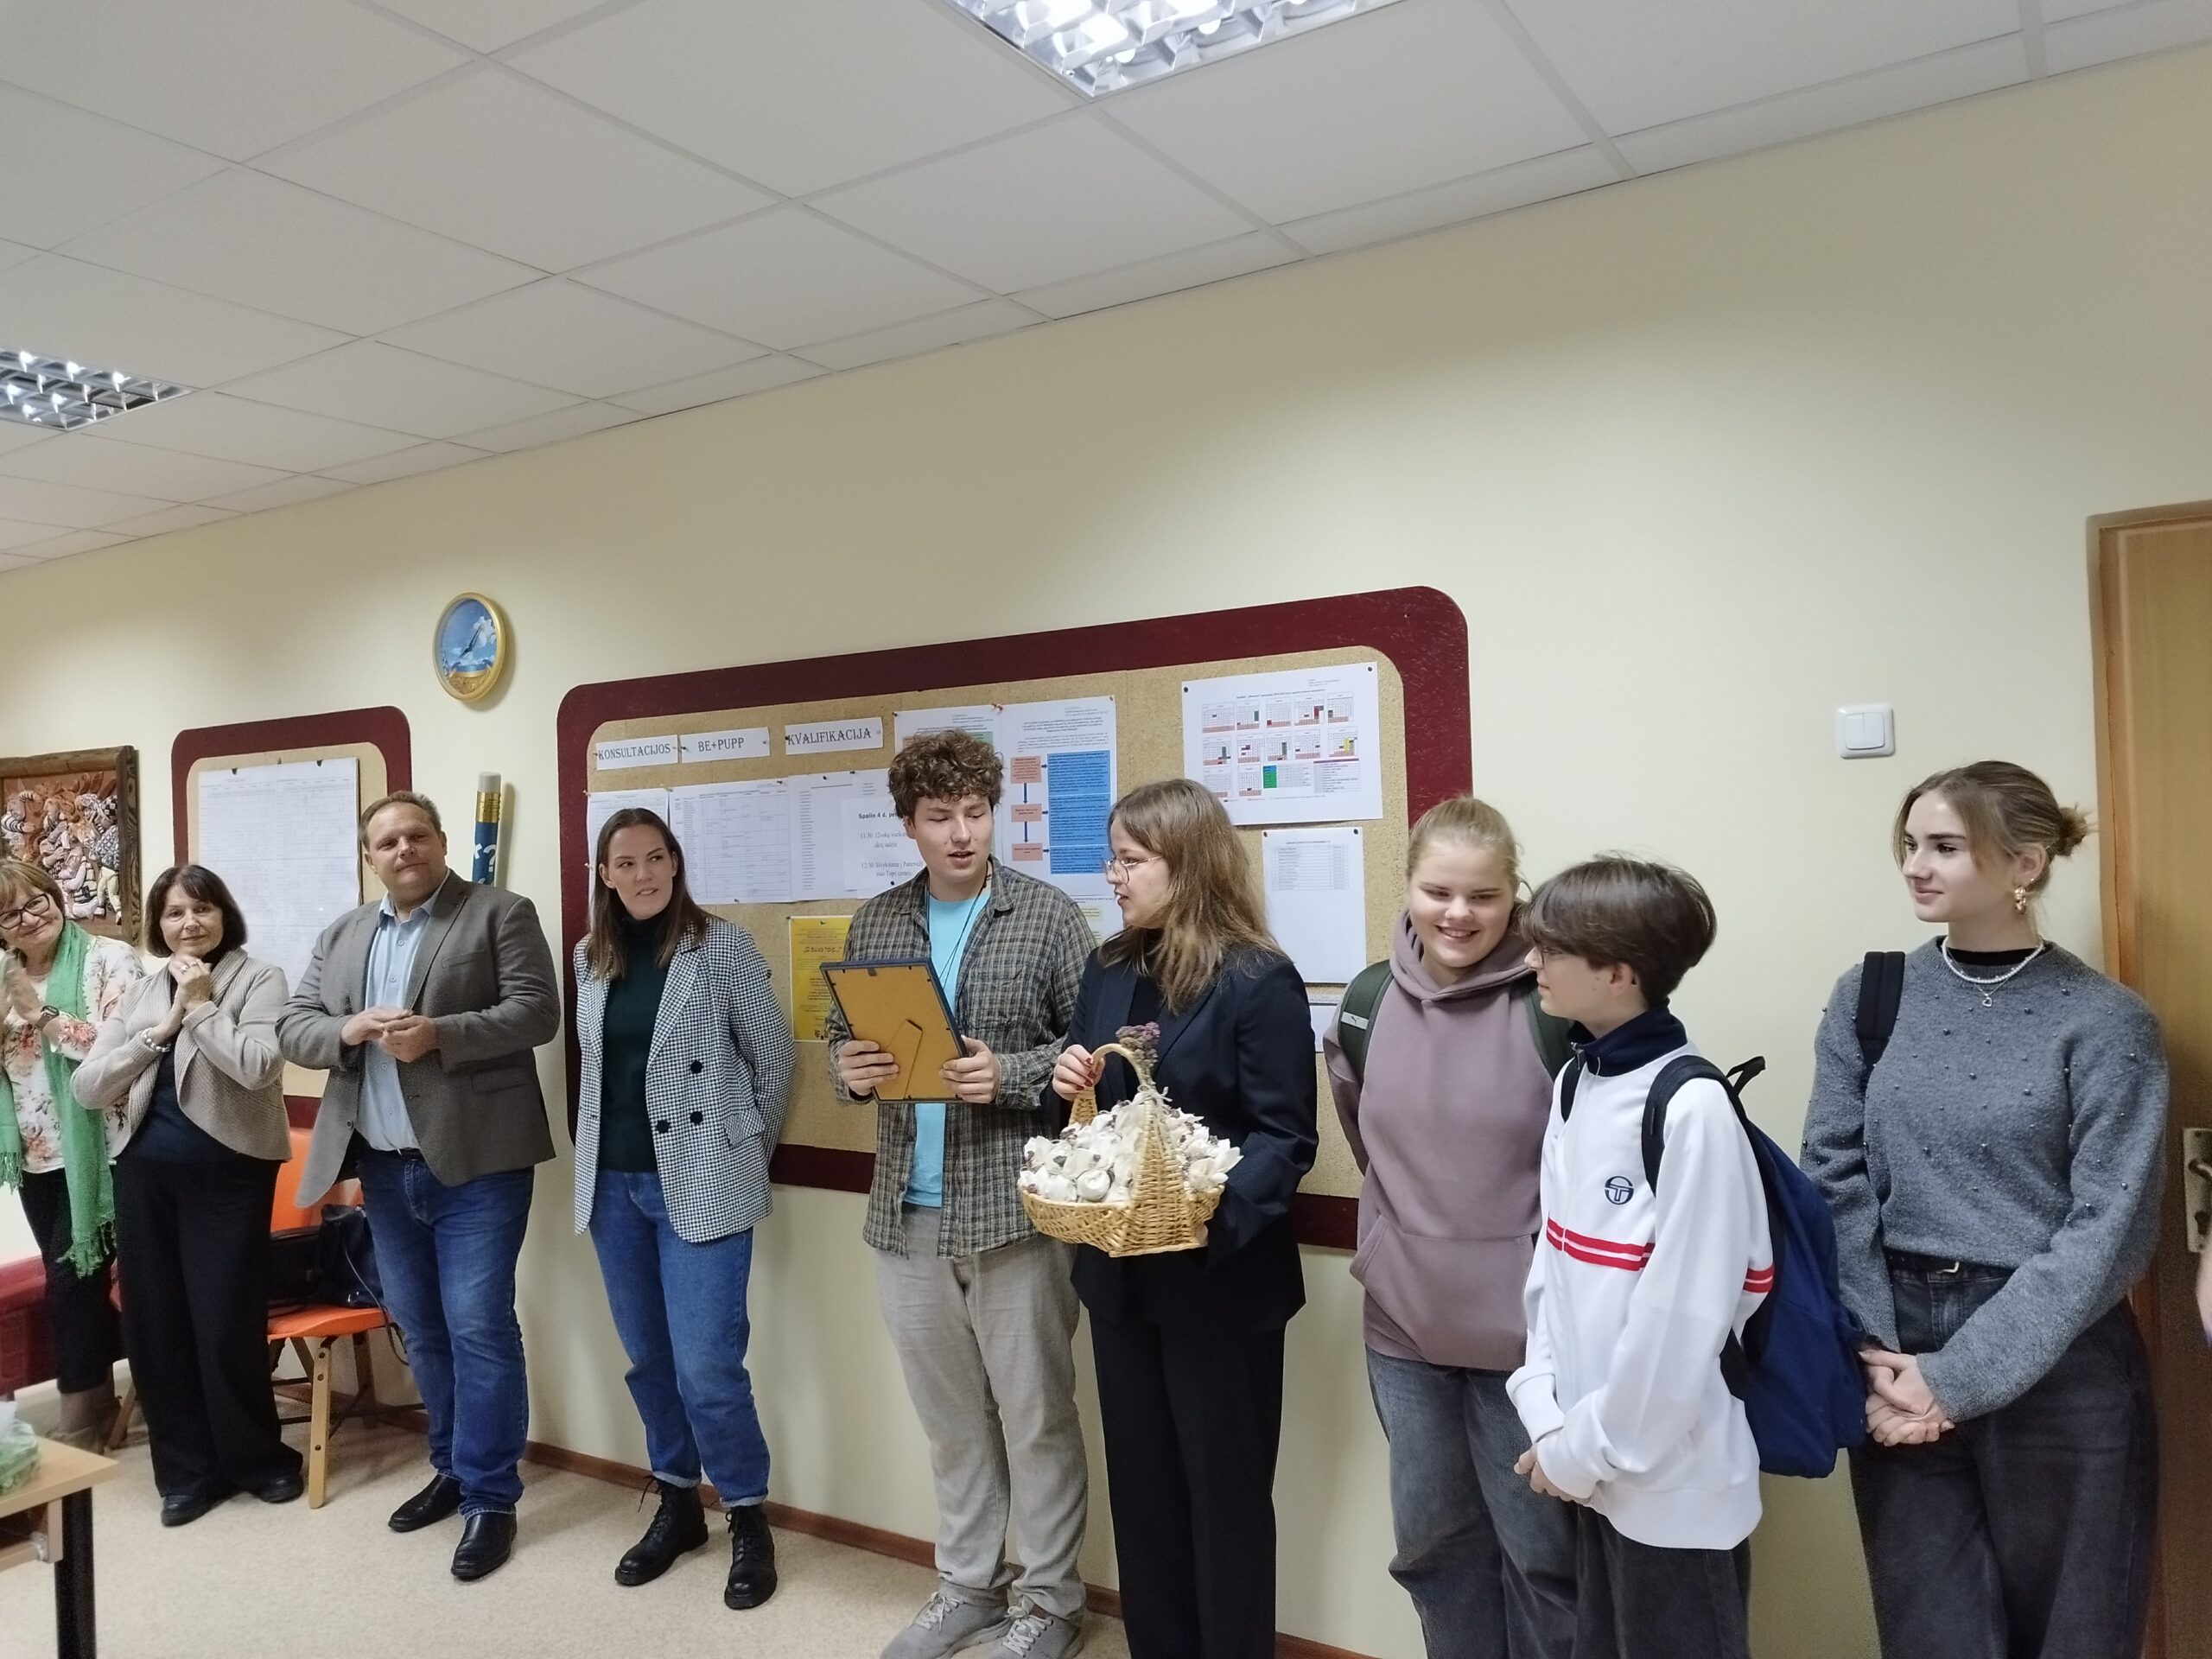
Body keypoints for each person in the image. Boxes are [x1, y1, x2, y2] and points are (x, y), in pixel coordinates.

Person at [1800, 762, 2163, 1657]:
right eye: (1910, 845)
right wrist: (1882, 1357)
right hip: (1895, 1341)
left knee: (2073, 1634)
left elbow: (2110, 1226)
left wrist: (1956, 1378)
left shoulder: (2105, 1021)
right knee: (1931, 1633)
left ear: (2024, 866)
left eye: (1944, 847)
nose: (1915, 866)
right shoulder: (1871, 995)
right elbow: (1831, 1174)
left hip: (2060, 1356)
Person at [825, 730, 1094, 1659]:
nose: (962, 832)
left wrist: (1011, 1075)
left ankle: (1051, 1601)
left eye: (976, 812)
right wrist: (848, 1068)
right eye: (940, 816)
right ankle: (969, 1586)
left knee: (1037, 1418)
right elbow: (842, 1037)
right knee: (950, 1423)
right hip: (906, 1213)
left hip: (1016, 1211)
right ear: (909, 824)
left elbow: (1093, 1051)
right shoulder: (877, 924)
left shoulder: (1048, 917)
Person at [1050, 778, 1318, 1659]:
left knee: (1224, 1504)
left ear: (1188, 864)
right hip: (1118, 1279)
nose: (1113, 877)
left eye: (1130, 860)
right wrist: (1069, 1084)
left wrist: (1203, 1222)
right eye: (1112, 859)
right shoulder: (1108, 967)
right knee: (1144, 1497)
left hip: (1217, 1282)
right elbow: (1094, 1112)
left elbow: (1285, 1137)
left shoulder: (1257, 978)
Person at [276, 791, 560, 1582]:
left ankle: (492, 1497)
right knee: (422, 1328)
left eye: (416, 835)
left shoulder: (499, 912)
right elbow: (294, 1024)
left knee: (478, 1327)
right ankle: (452, 1468)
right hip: (381, 1165)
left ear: (440, 840)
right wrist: (346, 1030)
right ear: (370, 858)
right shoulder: (343, 934)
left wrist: (440, 1035)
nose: (404, 849)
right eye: (387, 842)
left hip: (477, 1165)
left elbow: (537, 1013)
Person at [1323, 798, 1577, 1659]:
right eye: (1438, 892)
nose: (1458, 914)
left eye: (1483, 896)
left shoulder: (1556, 1003)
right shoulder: (1366, 1003)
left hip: (1531, 1339)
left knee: (1545, 1558)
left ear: (1515, 895)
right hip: (1404, 1327)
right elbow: (1368, 1143)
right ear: (1407, 888)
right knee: (1433, 1551)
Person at [1505, 855, 1770, 1659]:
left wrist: (1581, 1451)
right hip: (1592, 1472)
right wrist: (1545, 1407)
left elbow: (1681, 1325)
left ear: (1620, 973)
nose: (1531, 960)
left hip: (1673, 1484)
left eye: (1552, 949)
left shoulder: (1692, 1107)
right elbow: (1553, 1269)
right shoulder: (1576, 1081)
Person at [573, 807, 796, 1610]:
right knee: (648, 1360)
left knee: (708, 1368)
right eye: (626, 862)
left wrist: (739, 1157)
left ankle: (746, 1513)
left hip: (702, 1181)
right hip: (613, 1187)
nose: (644, 874)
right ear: (605, 875)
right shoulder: (589, 958)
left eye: (656, 857)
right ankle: (676, 1501)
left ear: (676, 863)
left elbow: (774, 1060)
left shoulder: (719, 946)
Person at [73, 864, 302, 1525]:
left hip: (228, 1175)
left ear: (223, 914)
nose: (189, 923)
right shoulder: (143, 991)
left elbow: (258, 1067)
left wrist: (201, 1008)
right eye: (174, 913)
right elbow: (89, 1088)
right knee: (156, 1326)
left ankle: (257, 1461)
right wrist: (162, 1026)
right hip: (143, 1175)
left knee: (226, 1321)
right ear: (159, 924)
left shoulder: (259, 979)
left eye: (201, 909)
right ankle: (185, 1474)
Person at [0, 859, 143, 1447]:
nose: (29, 918)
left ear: (56, 898)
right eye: (10, 913)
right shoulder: (4, 973)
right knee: (76, 1281)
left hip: (106, 1150)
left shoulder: (110, 958)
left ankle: (81, 1417)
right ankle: (108, 1398)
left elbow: (123, 1053)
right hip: (37, 1153)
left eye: (37, 902)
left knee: (71, 1280)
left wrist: (41, 1015)